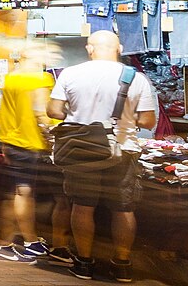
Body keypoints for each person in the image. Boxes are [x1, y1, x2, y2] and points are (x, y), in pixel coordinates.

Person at [49, 31, 159, 281]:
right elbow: (148, 120)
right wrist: (127, 119)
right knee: (123, 209)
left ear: (89, 49)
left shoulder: (70, 73)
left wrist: (80, 113)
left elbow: (54, 111)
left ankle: (85, 263)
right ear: (119, 47)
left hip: (81, 150)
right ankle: (121, 264)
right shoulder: (136, 78)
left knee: (83, 207)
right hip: (122, 150)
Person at [0, 42, 60, 263]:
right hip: (28, 143)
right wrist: (52, 135)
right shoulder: (39, 79)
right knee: (24, 194)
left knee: (13, 195)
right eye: (47, 53)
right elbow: (41, 112)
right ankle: (30, 242)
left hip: (10, 141)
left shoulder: (12, 78)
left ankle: (5, 243)